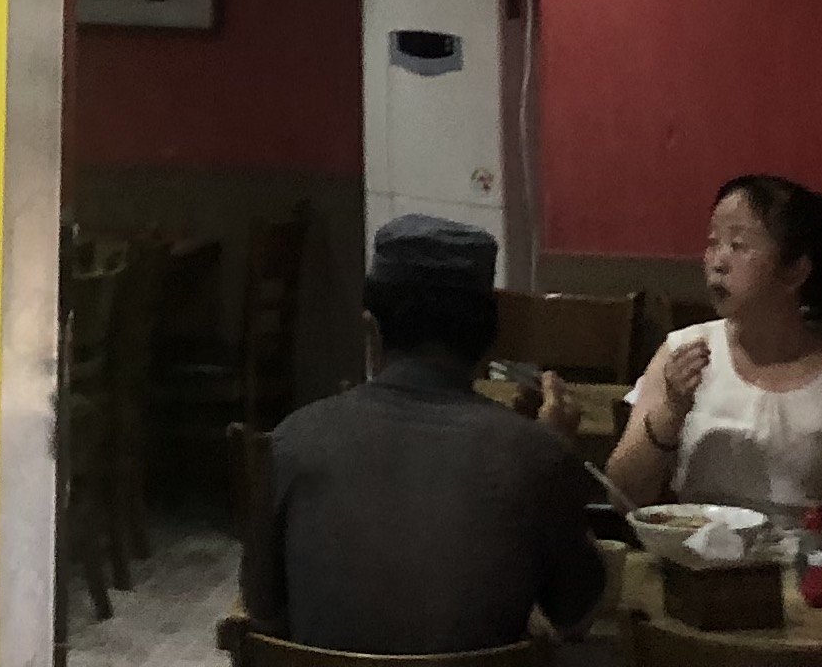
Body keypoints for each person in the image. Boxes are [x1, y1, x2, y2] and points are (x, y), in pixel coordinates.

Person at [243, 213, 606, 656]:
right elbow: (577, 618)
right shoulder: (535, 456)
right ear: (489, 340)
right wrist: (557, 451)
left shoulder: (294, 440)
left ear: (371, 329)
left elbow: (262, 614)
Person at [570, 174, 822, 513]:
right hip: (694, 545)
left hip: (809, 548)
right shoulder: (682, 351)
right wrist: (672, 409)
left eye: (738, 245)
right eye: (713, 243)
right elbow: (623, 496)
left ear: (795, 271)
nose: (717, 262)